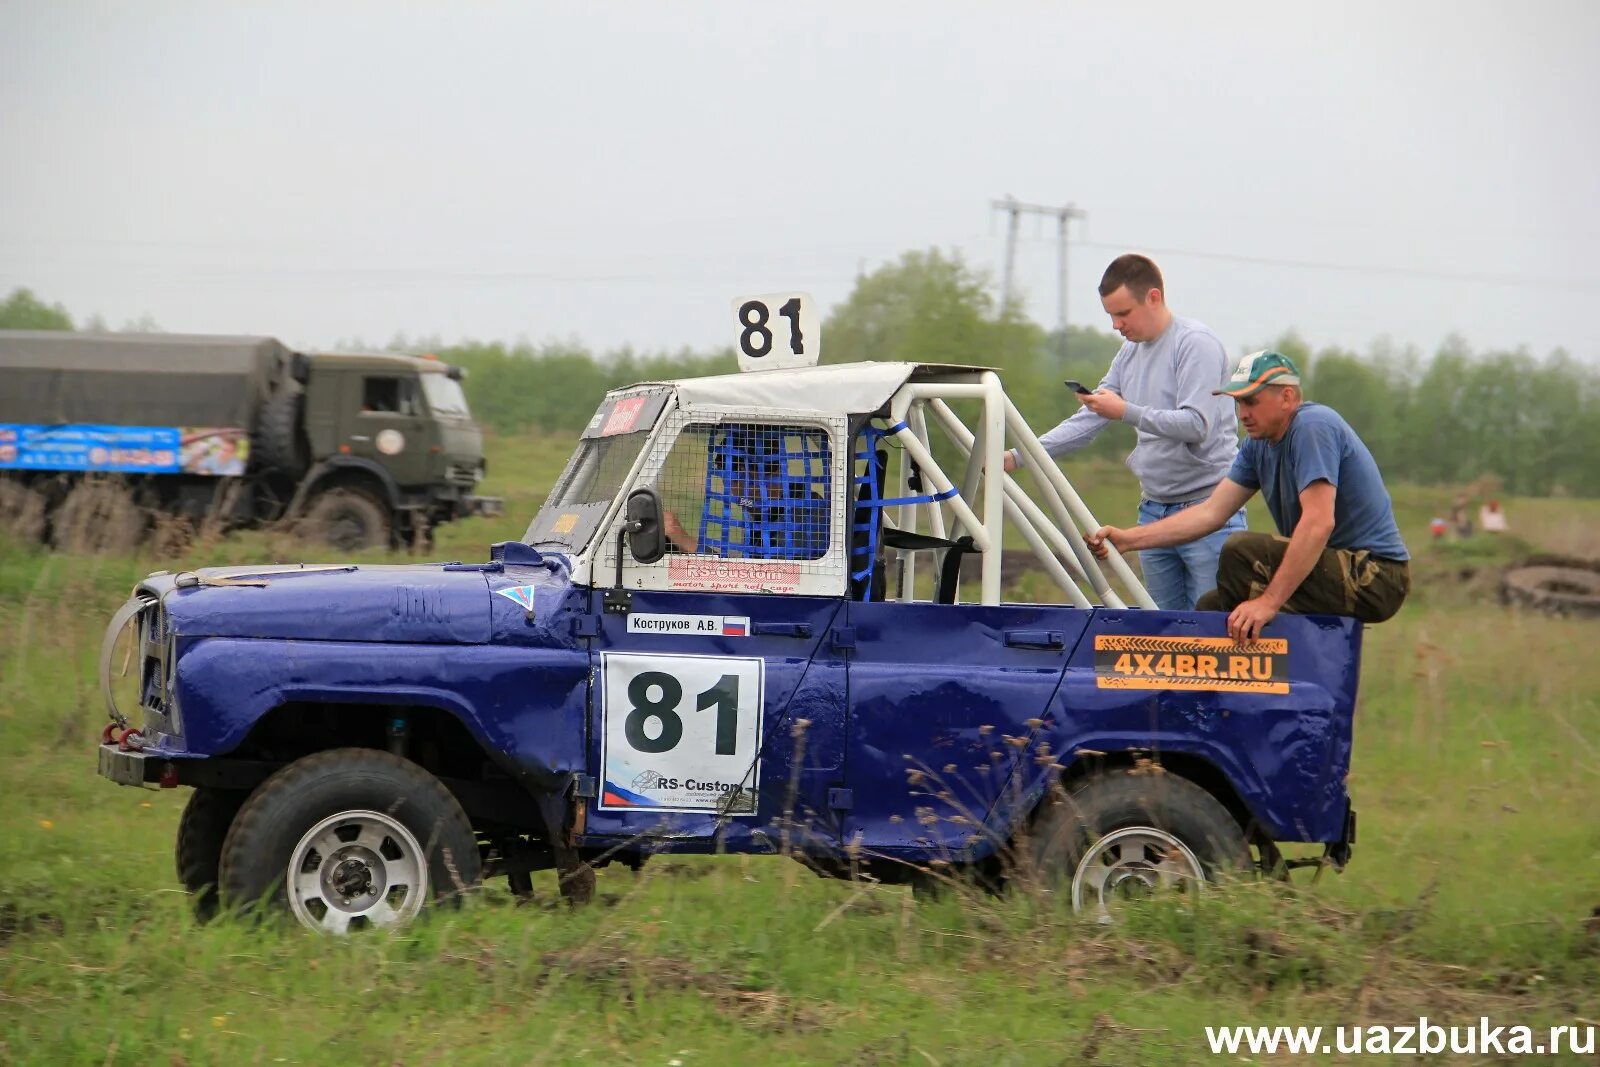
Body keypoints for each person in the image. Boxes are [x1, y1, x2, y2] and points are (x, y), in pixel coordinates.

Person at [1085, 351, 1410, 641]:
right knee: (1212, 608)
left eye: (1251, 401)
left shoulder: (1313, 426)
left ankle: (1279, 671)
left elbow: (1318, 522)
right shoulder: (1257, 446)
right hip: (1329, 569)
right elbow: (1211, 513)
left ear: (1287, 397)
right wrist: (1129, 539)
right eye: (1238, 402)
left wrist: (1269, 603)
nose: (1242, 413)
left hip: (1376, 577)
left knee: (1242, 552)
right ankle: (1230, 700)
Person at [1004, 254, 1243, 610]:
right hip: (1154, 513)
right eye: (1111, 316)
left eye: (1124, 313)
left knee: (1212, 636)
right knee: (1162, 633)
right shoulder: (1129, 353)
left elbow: (1197, 425)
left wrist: (1126, 411)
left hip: (1209, 511)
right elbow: (1090, 418)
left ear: (1154, 297)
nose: (1116, 325)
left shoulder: (1195, 344)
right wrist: (1018, 456)